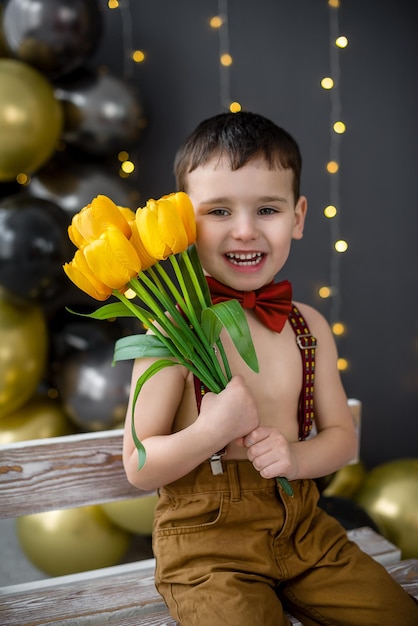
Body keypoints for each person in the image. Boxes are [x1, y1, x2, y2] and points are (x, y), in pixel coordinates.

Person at [123, 111, 418, 625]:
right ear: (182, 221)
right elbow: (139, 465)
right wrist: (211, 429)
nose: (244, 230)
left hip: (306, 531)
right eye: (217, 211)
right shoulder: (171, 332)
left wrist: (295, 460)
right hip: (207, 547)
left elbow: (342, 439)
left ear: (298, 217)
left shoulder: (309, 327)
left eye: (267, 208)